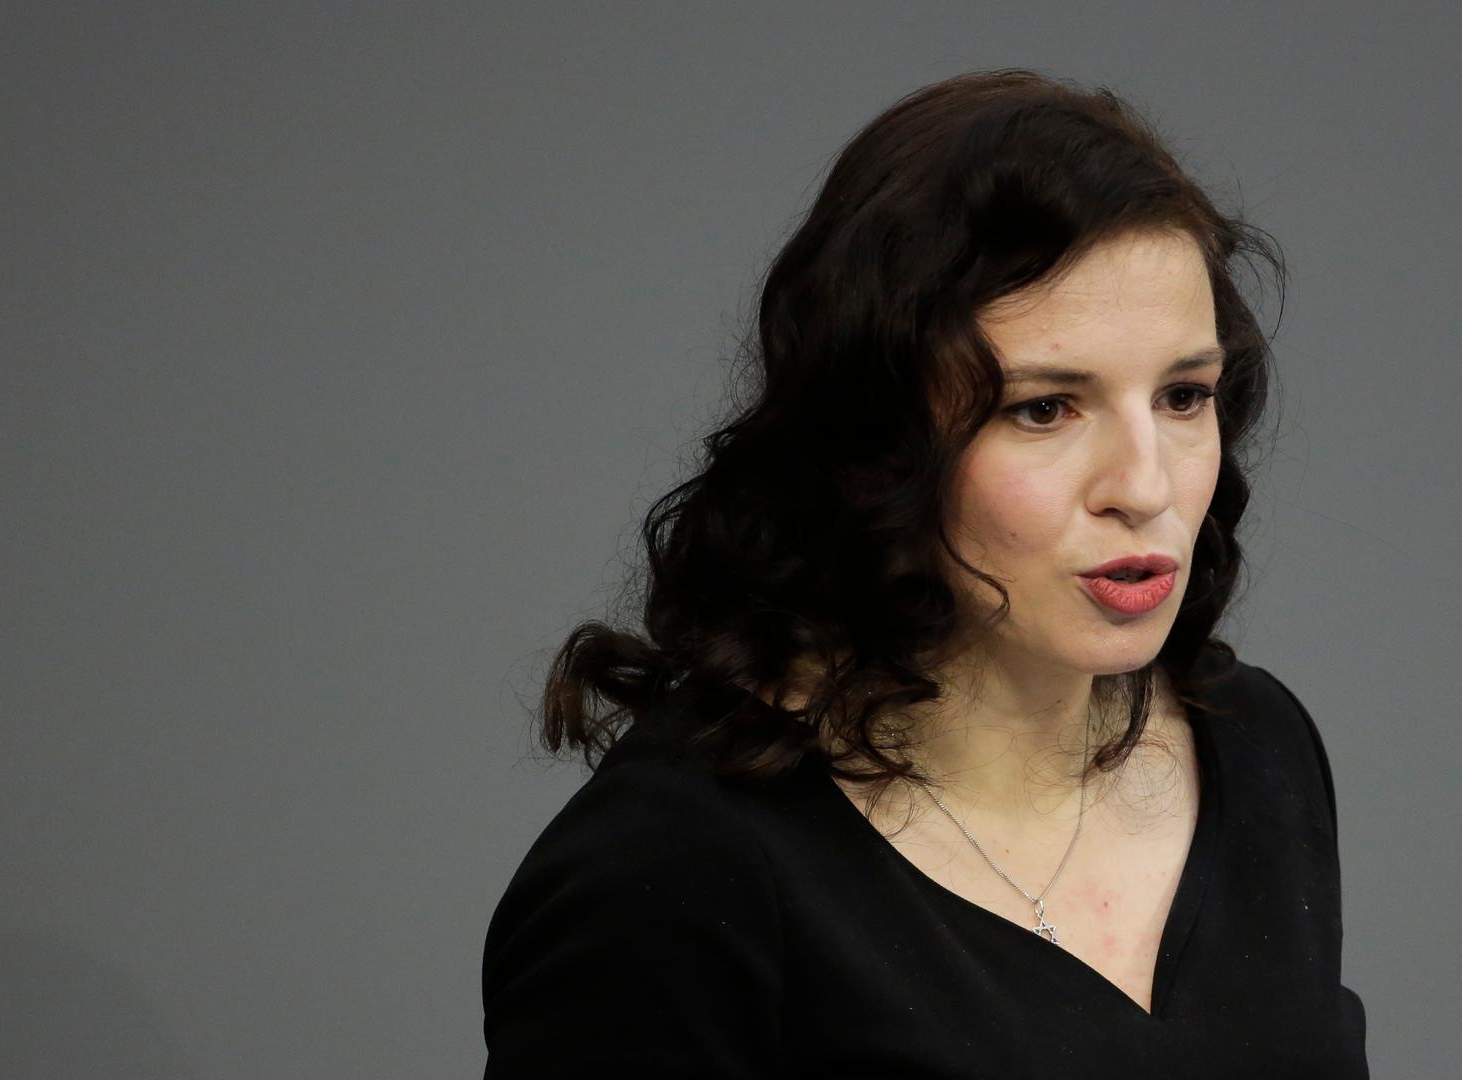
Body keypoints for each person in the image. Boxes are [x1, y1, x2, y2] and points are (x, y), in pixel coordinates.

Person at [481, 68, 1369, 1077]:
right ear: (880, 443)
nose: (1144, 484)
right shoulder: (676, 871)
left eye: (1183, 395)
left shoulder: (1257, 750)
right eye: (1044, 408)